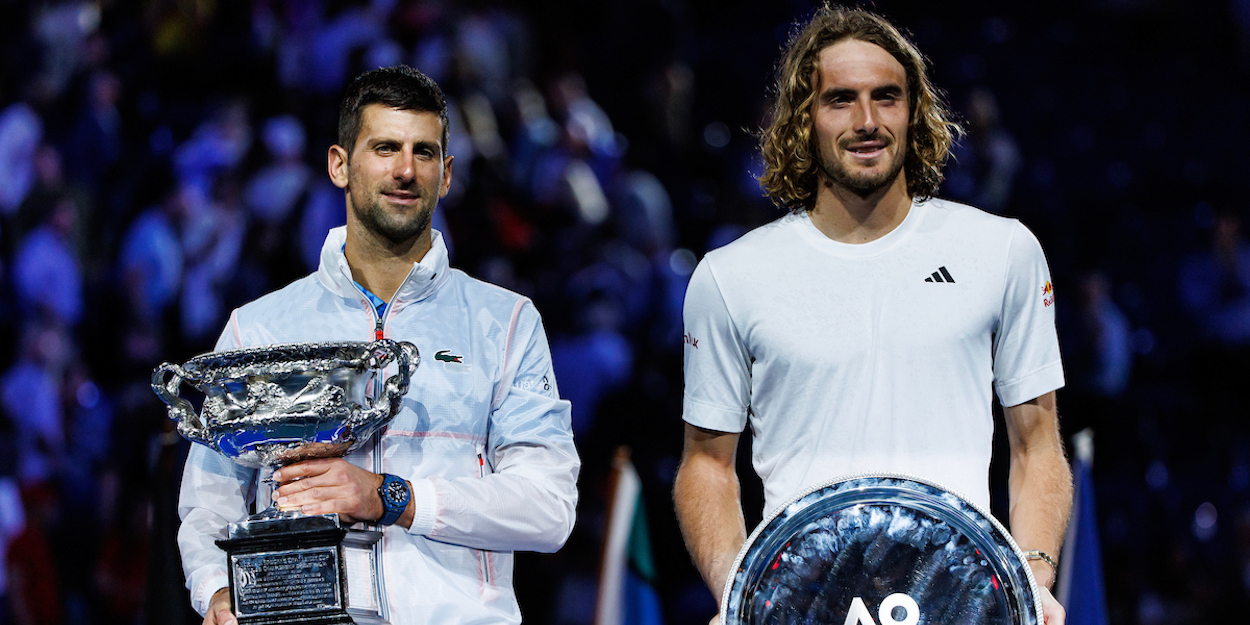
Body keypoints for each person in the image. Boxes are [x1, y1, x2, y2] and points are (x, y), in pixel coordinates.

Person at [673, 6, 1072, 624]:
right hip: (804, 605)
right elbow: (706, 462)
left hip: (960, 605)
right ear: (803, 119)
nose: (867, 122)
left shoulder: (1003, 251)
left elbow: (1037, 445)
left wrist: (1032, 579)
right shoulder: (730, 277)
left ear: (914, 114)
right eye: (840, 100)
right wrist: (742, 595)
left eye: (887, 98)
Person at [177, 65, 580, 625]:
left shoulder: (505, 321)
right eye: (385, 147)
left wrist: (393, 497)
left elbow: (549, 508)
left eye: (425, 152)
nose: (405, 170)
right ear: (340, 165)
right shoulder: (261, 327)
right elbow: (207, 502)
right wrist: (219, 593)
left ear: (446, 174)